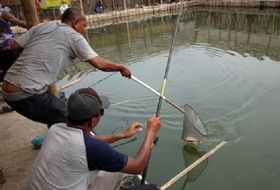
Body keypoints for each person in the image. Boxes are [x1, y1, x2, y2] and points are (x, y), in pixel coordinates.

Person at [1, 7, 131, 127]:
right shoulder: (75, 37)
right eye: (83, 25)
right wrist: (121, 67)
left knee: (55, 112)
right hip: (25, 94)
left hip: (7, 87)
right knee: (72, 121)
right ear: (76, 23)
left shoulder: (42, 26)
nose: (84, 29)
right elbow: (100, 64)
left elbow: (14, 47)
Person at [26, 87, 161, 189]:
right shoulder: (93, 148)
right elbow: (137, 167)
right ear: (93, 120)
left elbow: (89, 142)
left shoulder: (56, 128)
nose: (101, 115)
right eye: (101, 112)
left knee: (117, 171)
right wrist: (151, 132)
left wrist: (122, 135)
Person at [0, 4, 27, 81]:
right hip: (8, 45)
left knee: (5, 68)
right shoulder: (3, 13)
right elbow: (19, 23)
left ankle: (7, 84)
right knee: (15, 68)